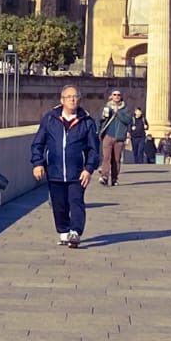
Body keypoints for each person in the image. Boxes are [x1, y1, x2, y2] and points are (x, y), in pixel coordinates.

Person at [30, 84, 100, 248]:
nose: (73, 100)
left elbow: (93, 149)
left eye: (75, 96)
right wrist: (38, 163)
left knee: (76, 201)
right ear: (62, 100)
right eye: (69, 97)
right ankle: (63, 231)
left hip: (77, 172)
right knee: (58, 204)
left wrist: (89, 169)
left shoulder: (87, 122)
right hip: (54, 170)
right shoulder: (50, 119)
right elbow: (38, 144)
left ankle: (75, 232)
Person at [97, 89, 134, 185]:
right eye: (114, 94)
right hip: (108, 135)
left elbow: (128, 120)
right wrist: (103, 118)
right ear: (111, 96)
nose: (116, 96)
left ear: (121, 96)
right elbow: (100, 120)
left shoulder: (125, 108)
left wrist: (118, 113)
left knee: (116, 159)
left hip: (119, 137)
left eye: (118, 95)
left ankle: (114, 178)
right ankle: (104, 176)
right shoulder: (106, 107)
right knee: (106, 157)